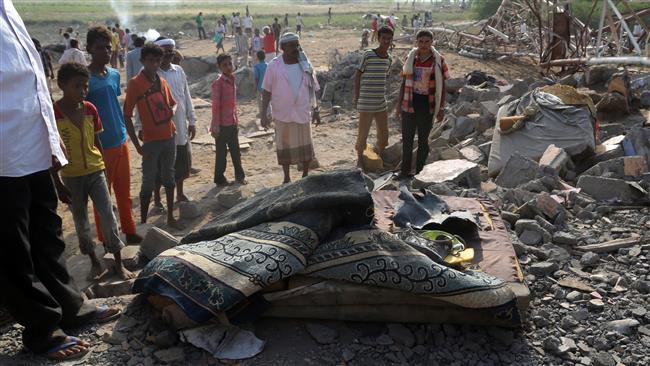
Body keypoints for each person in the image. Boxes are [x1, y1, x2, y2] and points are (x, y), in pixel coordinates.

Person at [1, 2, 121, 360]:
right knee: (13, 244)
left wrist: (51, 140)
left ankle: (70, 308)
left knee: (47, 231)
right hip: (4, 148)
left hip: (31, 140)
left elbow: (32, 84)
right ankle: (42, 330)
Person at [51, 63, 134, 281]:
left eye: (85, 87)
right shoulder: (53, 113)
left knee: (108, 215)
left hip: (96, 170)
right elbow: (50, 150)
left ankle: (118, 262)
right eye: (76, 86)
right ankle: (94, 262)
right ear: (62, 85)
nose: (82, 91)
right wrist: (57, 183)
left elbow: (97, 141)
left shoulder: (90, 109)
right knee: (80, 221)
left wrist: (104, 170)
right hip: (71, 176)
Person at [85, 26, 142, 245]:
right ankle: (107, 238)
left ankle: (130, 230)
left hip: (120, 139)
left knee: (124, 192)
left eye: (108, 47)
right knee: (103, 197)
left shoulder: (114, 75)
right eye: (100, 48)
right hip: (100, 144)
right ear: (89, 49)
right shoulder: (85, 79)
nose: (106, 52)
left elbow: (114, 104)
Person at [123, 43, 182, 229]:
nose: (155, 64)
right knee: (148, 180)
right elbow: (127, 115)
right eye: (151, 60)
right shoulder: (135, 83)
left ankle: (171, 217)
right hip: (150, 140)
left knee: (169, 177)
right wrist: (138, 146)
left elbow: (174, 103)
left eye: (158, 60)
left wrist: (171, 111)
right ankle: (143, 223)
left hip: (169, 135)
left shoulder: (162, 81)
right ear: (142, 61)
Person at [138, 38, 197, 205]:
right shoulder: (148, 75)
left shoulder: (178, 71)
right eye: (166, 52)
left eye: (172, 51)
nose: (170, 55)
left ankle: (180, 194)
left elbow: (186, 96)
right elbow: (139, 105)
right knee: (158, 166)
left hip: (179, 125)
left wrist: (191, 120)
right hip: (157, 130)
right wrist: (140, 126)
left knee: (180, 163)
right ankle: (157, 199)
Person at [260, 33, 321, 184]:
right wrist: (263, 114)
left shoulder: (305, 64)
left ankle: (305, 174)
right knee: (284, 146)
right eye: (292, 45)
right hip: (282, 113)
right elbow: (266, 92)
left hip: (302, 111)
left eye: (297, 45)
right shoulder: (274, 66)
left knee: (305, 144)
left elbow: (312, 89)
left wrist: (316, 110)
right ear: (283, 48)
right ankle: (286, 177)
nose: (296, 48)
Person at [396, 30, 449, 178]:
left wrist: (441, 107)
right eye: (421, 42)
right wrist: (399, 104)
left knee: (423, 141)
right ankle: (404, 172)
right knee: (407, 139)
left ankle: (419, 172)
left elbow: (442, 85)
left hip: (428, 105)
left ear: (432, 42)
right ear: (416, 42)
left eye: (427, 41)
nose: (424, 45)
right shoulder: (411, 58)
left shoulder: (439, 60)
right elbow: (404, 82)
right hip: (409, 103)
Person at [354, 26, 393, 170]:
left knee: (384, 134)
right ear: (378, 38)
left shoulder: (389, 59)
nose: (386, 41)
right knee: (363, 133)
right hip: (366, 101)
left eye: (389, 39)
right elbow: (358, 75)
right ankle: (359, 160)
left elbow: (385, 77)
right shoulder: (368, 55)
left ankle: (380, 156)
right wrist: (357, 96)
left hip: (380, 102)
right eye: (384, 38)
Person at [210, 53, 247, 186]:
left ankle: (240, 176)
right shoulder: (218, 84)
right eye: (224, 65)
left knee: (236, 152)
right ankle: (219, 179)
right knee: (221, 155)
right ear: (219, 67)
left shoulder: (232, 80)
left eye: (230, 64)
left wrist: (236, 120)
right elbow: (215, 107)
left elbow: (233, 104)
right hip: (221, 126)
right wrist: (215, 127)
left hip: (232, 123)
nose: (228, 67)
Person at [253, 50, 269, 119]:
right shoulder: (268, 65)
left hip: (260, 87)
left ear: (257, 58)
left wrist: (255, 87)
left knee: (260, 101)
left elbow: (256, 78)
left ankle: (262, 113)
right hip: (268, 87)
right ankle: (269, 114)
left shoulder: (256, 67)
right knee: (268, 101)